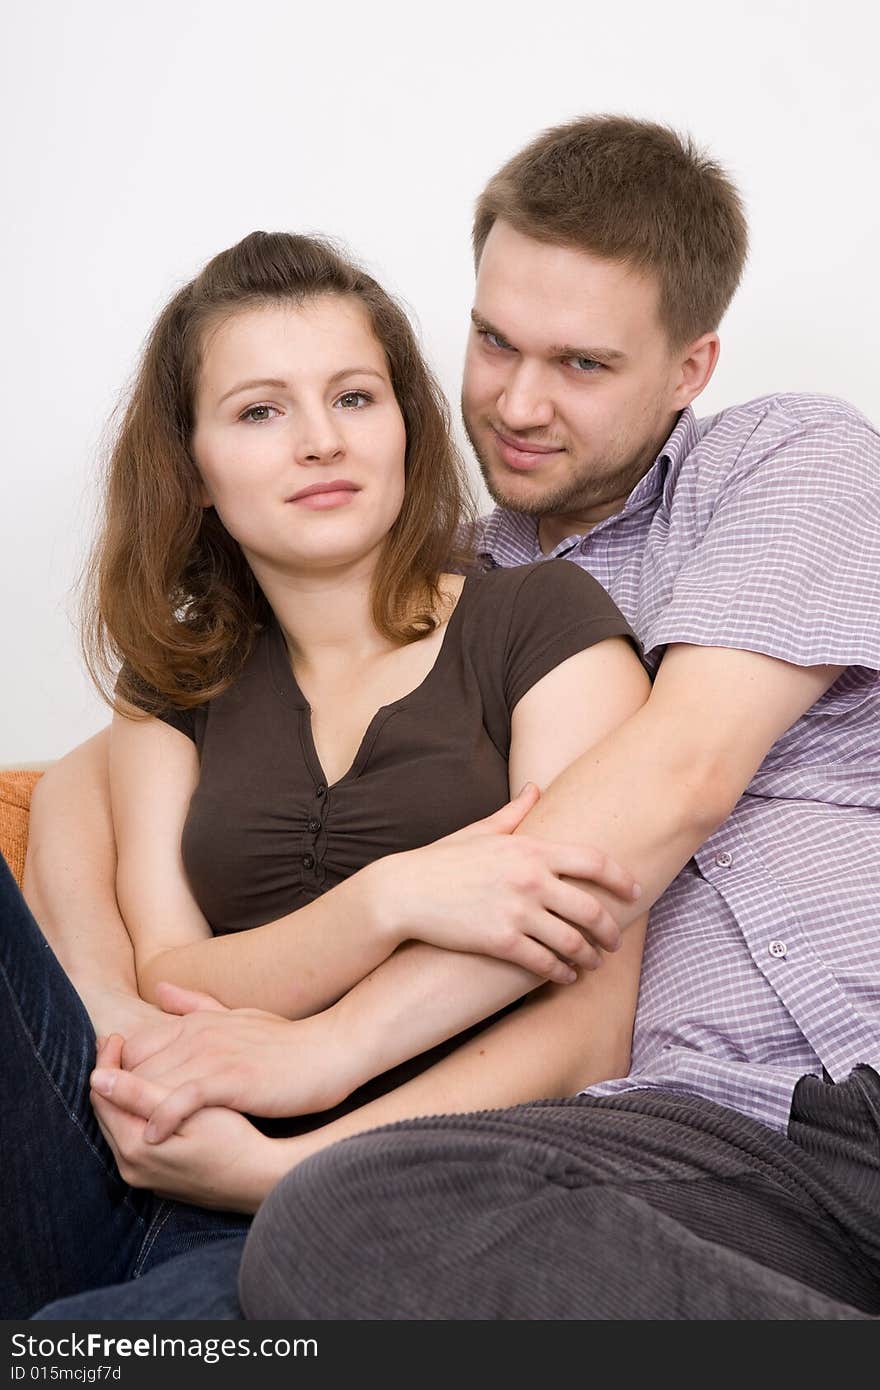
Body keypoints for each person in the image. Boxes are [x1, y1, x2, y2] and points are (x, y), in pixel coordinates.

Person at [29, 113, 880, 1320]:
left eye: (582, 365)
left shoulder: (781, 465)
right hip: (688, 1136)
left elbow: (675, 781)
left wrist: (326, 1046)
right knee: (349, 1216)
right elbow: (93, 768)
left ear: (689, 369)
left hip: (854, 1062)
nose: (521, 404)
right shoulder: (443, 583)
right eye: (492, 342)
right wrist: (115, 1006)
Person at [4, 227, 653, 1320]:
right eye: (260, 410)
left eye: (353, 397)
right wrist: (389, 897)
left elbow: (587, 1020)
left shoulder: (543, 623)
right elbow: (178, 975)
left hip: (371, 1203)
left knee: (90, 1346)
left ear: (404, 423)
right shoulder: (174, 679)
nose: (319, 441)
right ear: (195, 466)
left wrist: (287, 1153)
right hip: (115, 1155)